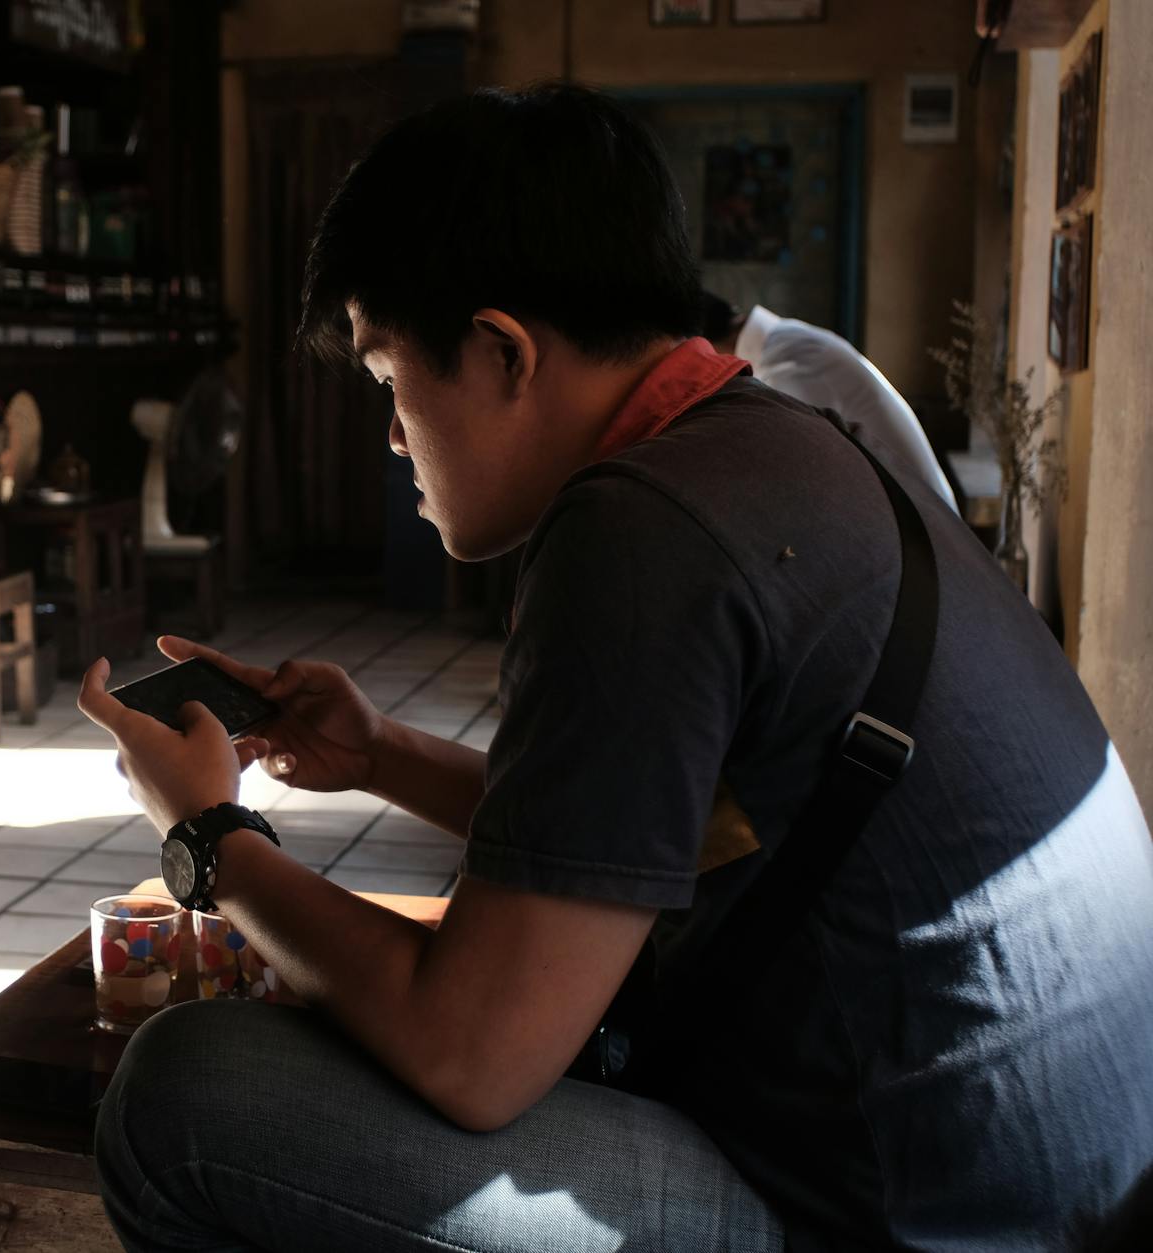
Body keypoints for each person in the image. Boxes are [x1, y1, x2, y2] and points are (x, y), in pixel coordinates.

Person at [75, 84, 1153, 1252]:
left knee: (183, 1098)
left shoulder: (635, 531)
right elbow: (639, 829)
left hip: (926, 1221)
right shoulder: (769, 446)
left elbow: (471, 1053)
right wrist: (381, 753)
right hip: (1057, 1184)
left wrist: (210, 838)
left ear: (500, 351)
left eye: (390, 381)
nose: (390, 435)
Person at [700, 292, 961, 515]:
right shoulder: (786, 340)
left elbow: (790, 470)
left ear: (701, 344)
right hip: (914, 523)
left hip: (923, 535)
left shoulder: (787, 361)